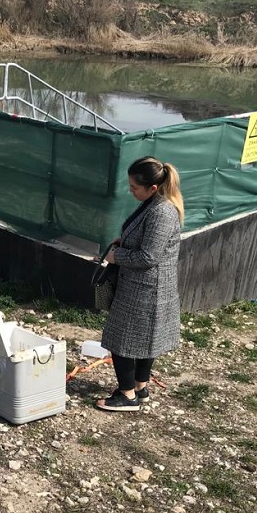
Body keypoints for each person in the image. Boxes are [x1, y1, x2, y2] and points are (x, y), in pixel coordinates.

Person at [97, 156, 184, 412]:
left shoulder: (162, 211)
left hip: (145, 289)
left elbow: (149, 256)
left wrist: (117, 256)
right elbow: (147, 244)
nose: (131, 191)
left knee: (120, 340)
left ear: (153, 188)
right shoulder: (155, 203)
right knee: (147, 339)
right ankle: (140, 387)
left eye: (134, 187)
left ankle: (127, 396)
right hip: (151, 287)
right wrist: (125, 242)